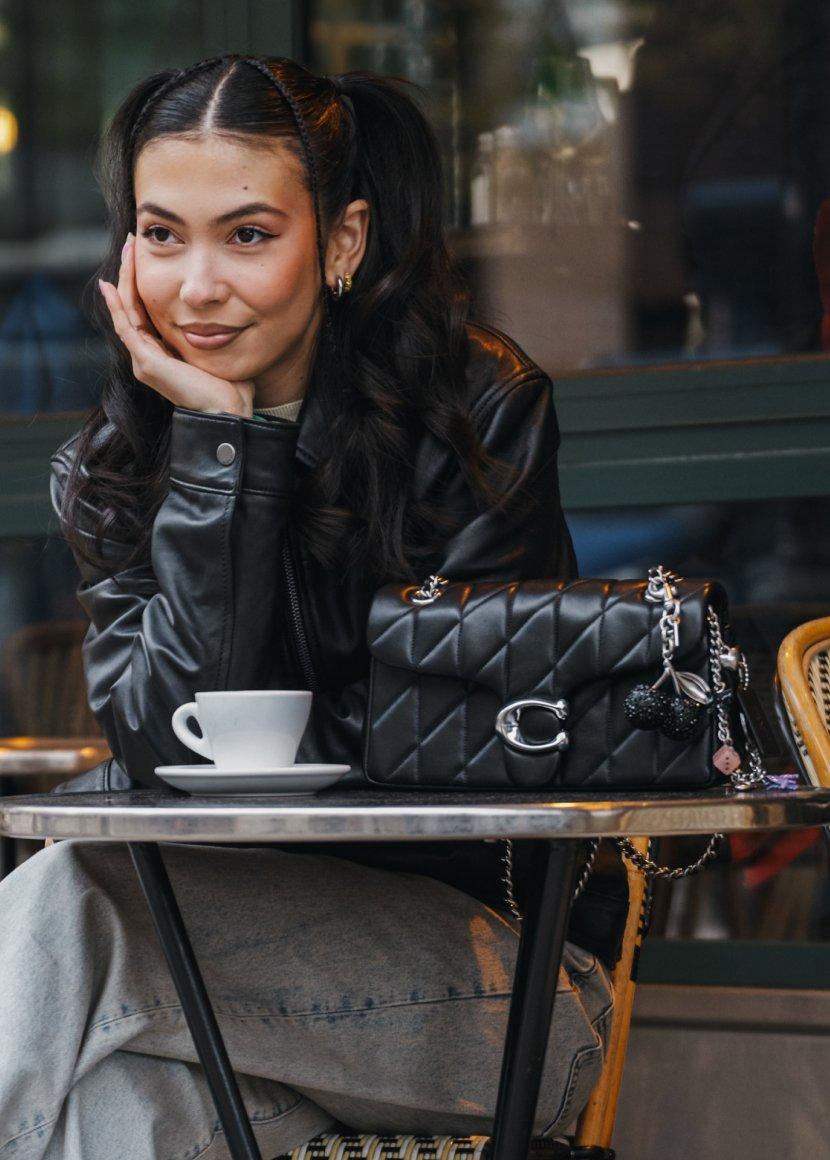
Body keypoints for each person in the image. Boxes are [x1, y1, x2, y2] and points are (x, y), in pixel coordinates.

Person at [0, 54, 617, 1158]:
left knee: (70, 900)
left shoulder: (472, 415)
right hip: (194, 1010)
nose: (193, 286)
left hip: (501, 996)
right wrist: (213, 458)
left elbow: (474, 745)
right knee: (116, 1112)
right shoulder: (114, 466)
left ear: (339, 242)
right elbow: (162, 742)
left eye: (246, 235)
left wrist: (235, 450)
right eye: (160, 234)